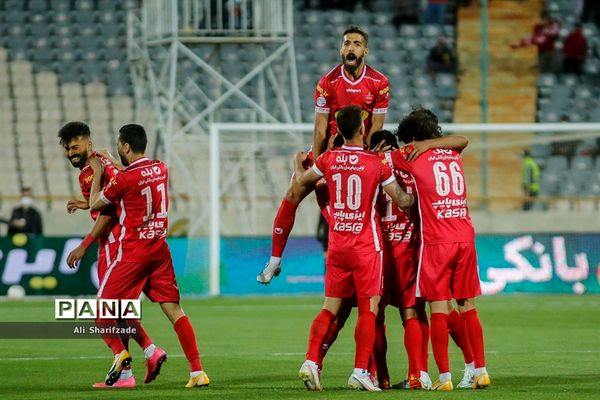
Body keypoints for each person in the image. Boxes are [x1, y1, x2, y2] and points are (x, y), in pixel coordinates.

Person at [258, 25, 390, 283]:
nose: (350, 47)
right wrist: (319, 166)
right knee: (293, 193)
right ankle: (274, 260)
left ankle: (378, 257)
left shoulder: (379, 83)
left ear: (365, 50)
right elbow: (320, 129)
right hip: (328, 151)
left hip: (360, 152)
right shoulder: (327, 82)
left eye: (356, 44)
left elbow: (376, 128)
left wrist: (365, 159)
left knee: (365, 207)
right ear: (341, 48)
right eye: (346, 43)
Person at [294, 106, 413, 392]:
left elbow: (303, 182)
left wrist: (298, 166)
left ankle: (311, 361)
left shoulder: (329, 158)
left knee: (329, 307)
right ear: (362, 129)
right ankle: (361, 370)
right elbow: (401, 200)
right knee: (369, 307)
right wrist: (417, 196)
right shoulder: (376, 163)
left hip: (338, 245)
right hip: (366, 246)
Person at [87, 124, 210, 388]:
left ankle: (120, 355)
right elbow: (134, 176)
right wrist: (113, 161)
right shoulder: (161, 168)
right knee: (175, 311)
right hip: (160, 250)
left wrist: (98, 171)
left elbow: (95, 203)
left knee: (101, 308)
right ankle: (197, 372)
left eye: (119, 146)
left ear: (125, 146)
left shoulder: (123, 180)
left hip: (133, 253)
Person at [58, 121, 165, 388]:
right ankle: (139, 362)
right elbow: (118, 196)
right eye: (67, 149)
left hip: (115, 243)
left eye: (75, 146)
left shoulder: (91, 172)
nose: (71, 153)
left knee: (103, 308)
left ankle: (125, 355)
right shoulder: (103, 162)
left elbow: (107, 213)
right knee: (119, 309)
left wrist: (84, 245)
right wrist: (86, 204)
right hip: (126, 241)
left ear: (88, 143)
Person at [391, 108, 490, 391]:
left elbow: (380, 161)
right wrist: (431, 143)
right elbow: (463, 139)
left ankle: (444, 378)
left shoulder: (411, 153)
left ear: (412, 138)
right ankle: (480, 371)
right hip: (465, 236)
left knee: (438, 308)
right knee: (468, 306)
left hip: (437, 240)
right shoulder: (453, 152)